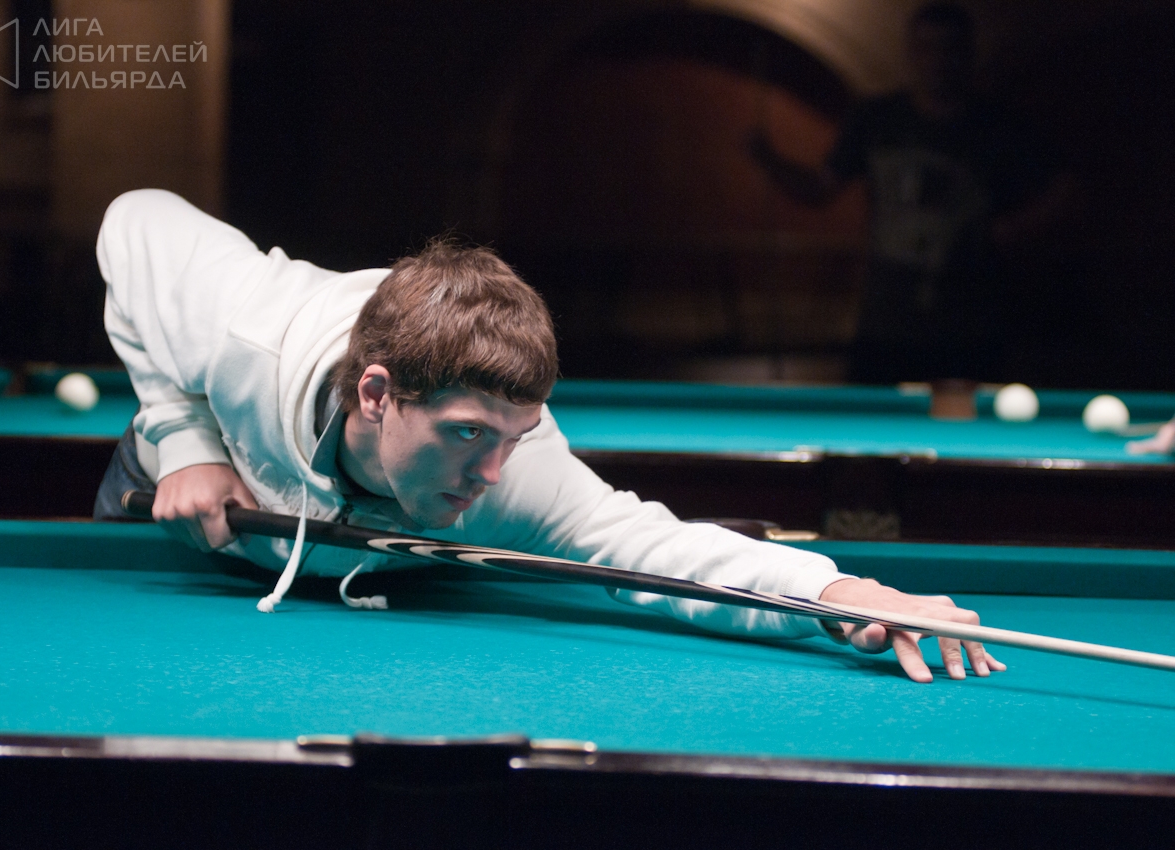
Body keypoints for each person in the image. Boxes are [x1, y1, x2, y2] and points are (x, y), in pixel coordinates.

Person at [93, 188, 1003, 683]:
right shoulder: (252, 332)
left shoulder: (516, 472)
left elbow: (658, 553)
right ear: (377, 393)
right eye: (465, 433)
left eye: (513, 434)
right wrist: (186, 439)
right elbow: (136, 219)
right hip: (180, 520)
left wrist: (838, 591)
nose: (491, 472)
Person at [749, 2, 1076, 383]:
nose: (938, 60)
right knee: (872, 419)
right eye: (926, 48)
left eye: (949, 48)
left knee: (962, 420)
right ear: (911, 54)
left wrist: (1007, 230)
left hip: (969, 326)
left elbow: (1068, 194)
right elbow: (821, 190)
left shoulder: (998, 126)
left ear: (967, 54)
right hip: (887, 324)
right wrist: (770, 161)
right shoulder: (877, 119)